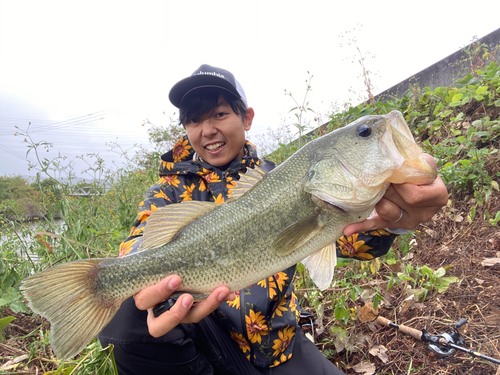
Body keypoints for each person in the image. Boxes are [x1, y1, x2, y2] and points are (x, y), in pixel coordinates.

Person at [98, 64, 448, 374]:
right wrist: (151, 291)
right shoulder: (168, 192)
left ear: (246, 118)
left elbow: (354, 239)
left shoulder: (281, 179)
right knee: (127, 312)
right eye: (193, 120)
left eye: (219, 114)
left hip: (280, 346)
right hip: (207, 340)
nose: (206, 129)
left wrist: (395, 219)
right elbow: (136, 246)